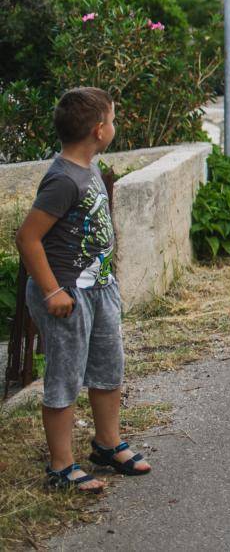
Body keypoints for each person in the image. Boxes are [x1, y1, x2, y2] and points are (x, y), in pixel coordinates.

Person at [16, 88, 152, 494]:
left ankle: (107, 444)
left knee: (109, 369)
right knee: (65, 377)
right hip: (67, 297)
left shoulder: (88, 165)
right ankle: (61, 466)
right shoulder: (62, 178)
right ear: (99, 130)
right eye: (113, 119)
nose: (115, 125)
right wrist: (53, 291)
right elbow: (27, 239)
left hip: (100, 290)